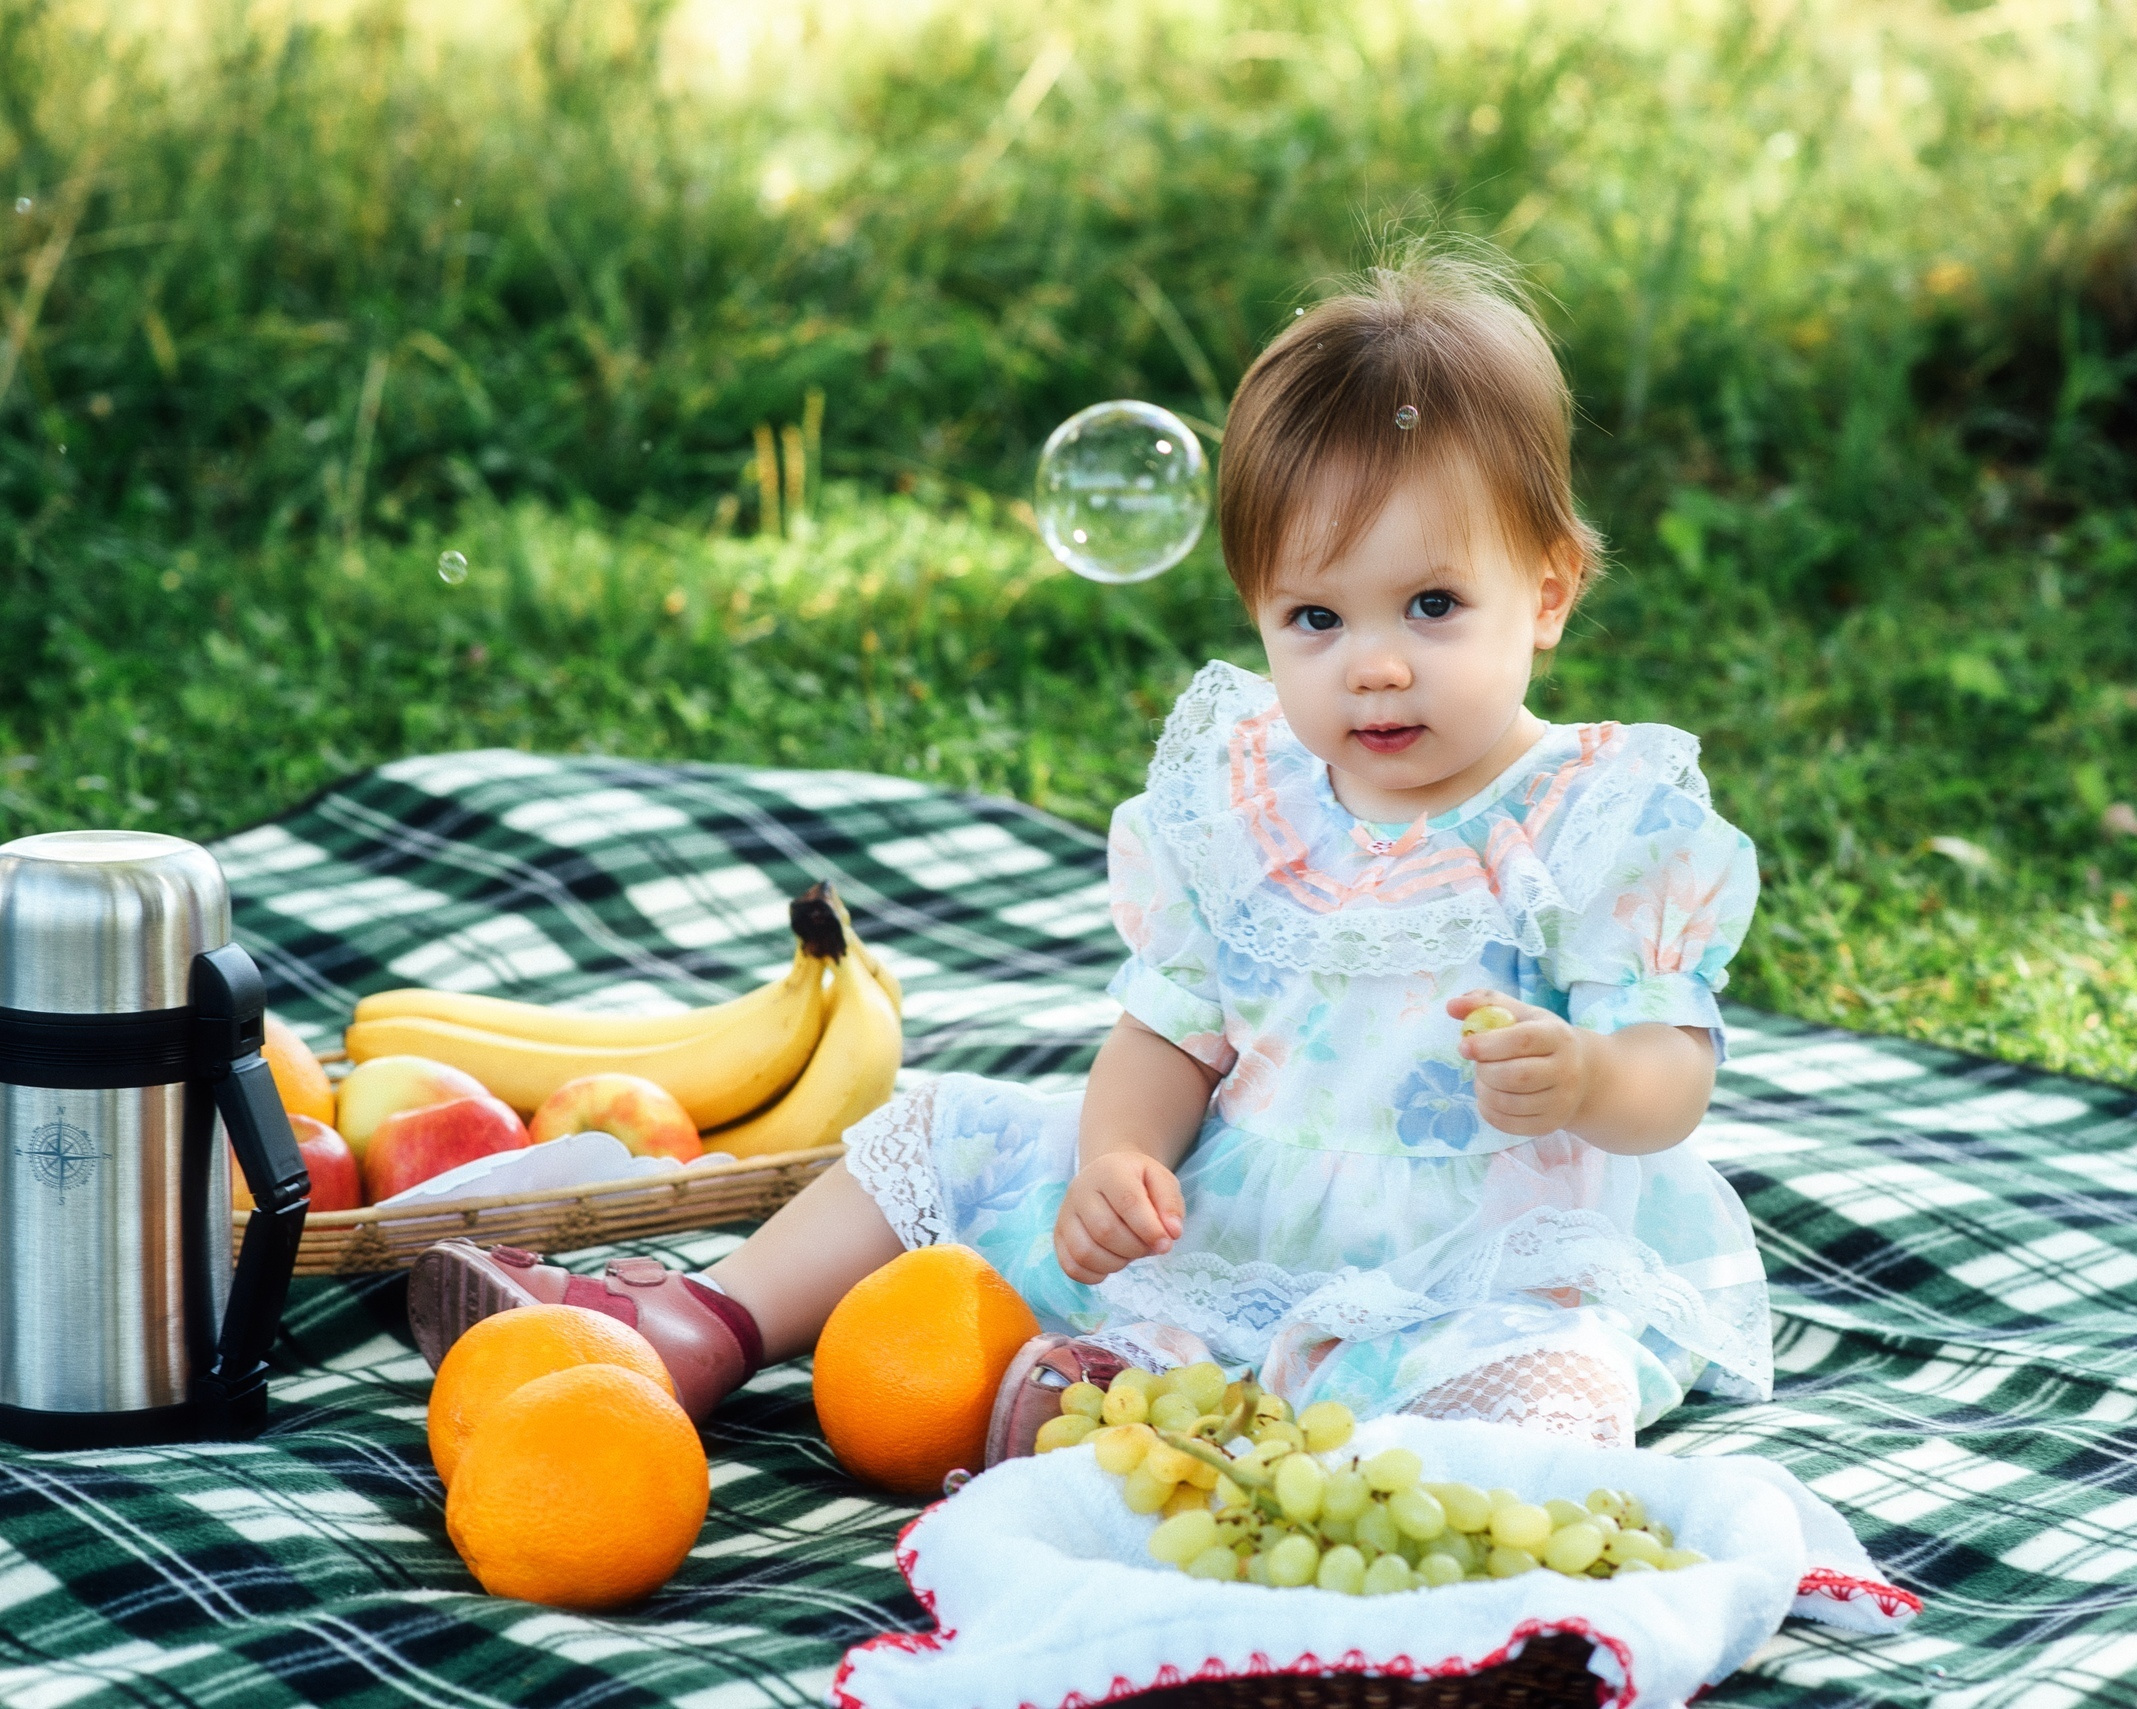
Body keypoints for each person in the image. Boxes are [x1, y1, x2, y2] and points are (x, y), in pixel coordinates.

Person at [406, 246, 1770, 1457]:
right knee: (943, 1132)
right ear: (1257, 611)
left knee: (1556, 1369)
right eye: (1314, 618)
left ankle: (1206, 1428)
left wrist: (1589, 1076)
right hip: (1243, 1199)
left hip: (1482, 1242)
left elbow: (1671, 1080)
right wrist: (1120, 1158)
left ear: (1547, 590)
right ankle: (707, 1322)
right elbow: (1174, 1032)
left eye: (1431, 603)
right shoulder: (1253, 806)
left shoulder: (1594, 818)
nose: (1375, 666)